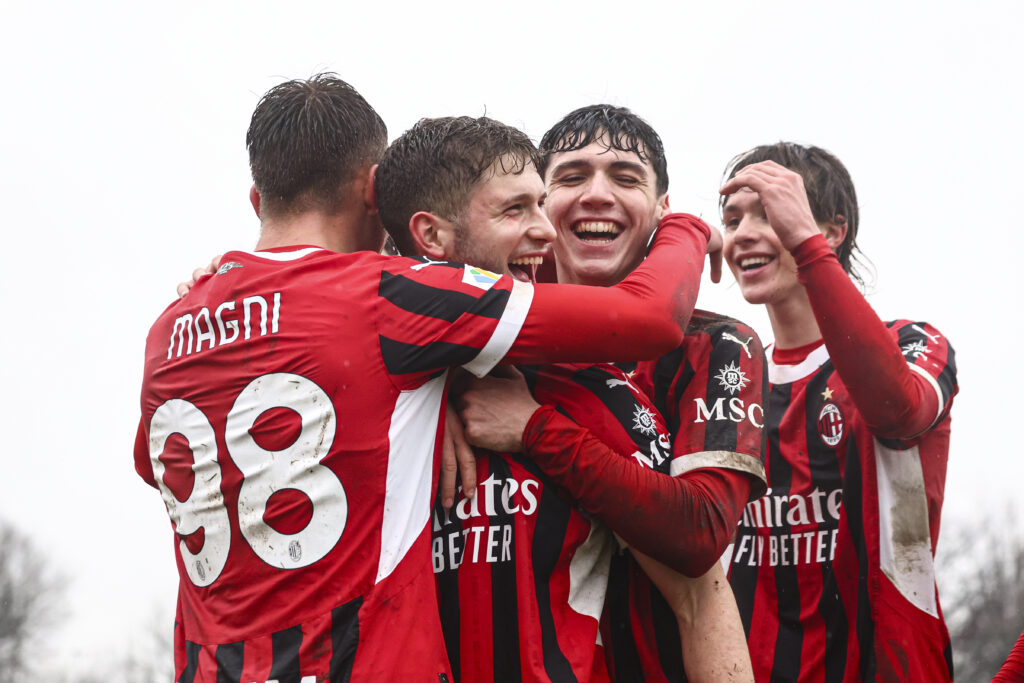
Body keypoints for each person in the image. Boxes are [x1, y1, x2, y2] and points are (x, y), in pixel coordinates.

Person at [135, 75, 717, 682]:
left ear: (259, 199)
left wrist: (426, 391)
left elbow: (157, 467)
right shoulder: (385, 300)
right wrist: (686, 228)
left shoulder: (167, 329)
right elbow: (649, 319)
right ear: (373, 190)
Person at [375, 114, 721, 682]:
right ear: (430, 236)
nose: (545, 230)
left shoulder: (589, 385)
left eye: (539, 205)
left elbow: (700, 580)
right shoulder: (362, 380)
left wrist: (537, 428)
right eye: (516, 210)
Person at [456, 104, 769, 682]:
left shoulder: (719, 345)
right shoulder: (473, 334)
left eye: (626, 178)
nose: (597, 194)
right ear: (537, 206)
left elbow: (697, 535)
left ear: (661, 211)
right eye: (571, 177)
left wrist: (534, 429)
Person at [718, 143, 958, 681]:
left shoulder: (914, 343)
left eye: (770, 213)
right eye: (733, 220)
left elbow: (900, 409)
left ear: (831, 229)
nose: (745, 233)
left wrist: (804, 247)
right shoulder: (724, 376)